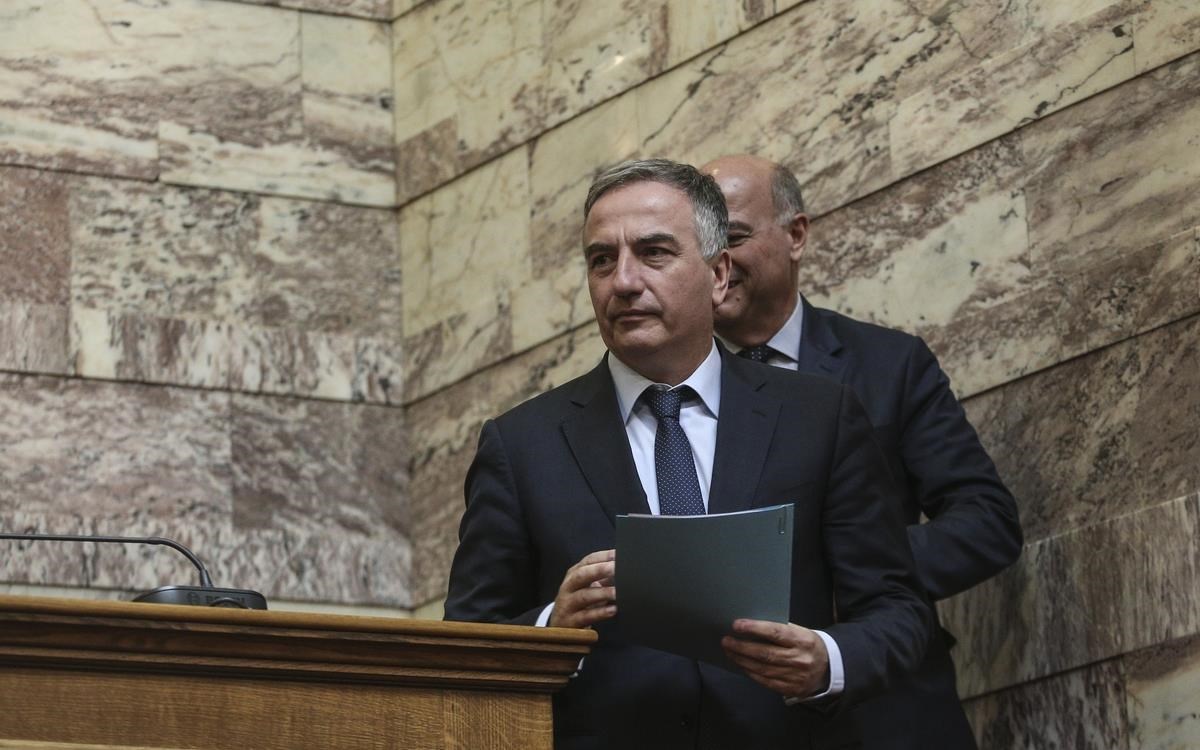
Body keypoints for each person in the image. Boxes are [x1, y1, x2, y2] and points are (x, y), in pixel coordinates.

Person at [444, 158, 932, 750]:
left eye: (653, 253)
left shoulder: (818, 417)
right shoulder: (521, 445)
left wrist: (825, 660)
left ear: (718, 274)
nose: (623, 281)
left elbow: (897, 609)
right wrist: (552, 630)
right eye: (602, 260)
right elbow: (462, 648)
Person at [701, 154, 1023, 750]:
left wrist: (850, 570)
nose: (715, 262)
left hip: (884, 710)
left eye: (733, 237)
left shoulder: (889, 365)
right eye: (700, 246)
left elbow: (987, 522)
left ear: (796, 235)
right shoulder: (670, 395)